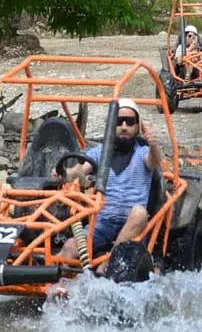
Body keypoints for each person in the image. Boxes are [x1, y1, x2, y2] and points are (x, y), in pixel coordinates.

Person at [56, 98, 162, 273]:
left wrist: (154, 145)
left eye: (130, 122)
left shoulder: (143, 153)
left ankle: (108, 264)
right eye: (119, 121)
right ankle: (61, 287)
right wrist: (64, 172)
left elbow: (154, 160)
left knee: (139, 213)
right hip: (103, 222)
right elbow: (81, 170)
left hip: (132, 225)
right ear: (111, 125)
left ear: (137, 127)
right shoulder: (100, 152)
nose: (124, 126)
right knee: (69, 246)